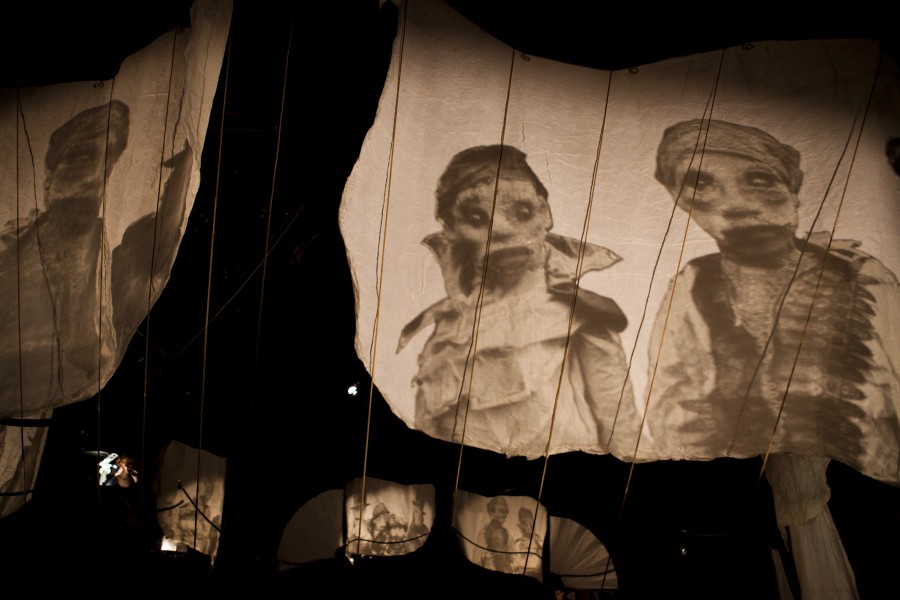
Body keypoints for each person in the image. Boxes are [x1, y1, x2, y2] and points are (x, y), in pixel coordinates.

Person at [646, 118, 900, 482]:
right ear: (681, 201)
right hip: (748, 473)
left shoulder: (857, 271)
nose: (735, 204)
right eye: (700, 184)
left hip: (862, 474)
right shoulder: (693, 283)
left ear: (791, 190)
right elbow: (673, 401)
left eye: (758, 180)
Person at [397, 144, 634, 456]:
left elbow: (618, 420)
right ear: (450, 229)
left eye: (522, 212)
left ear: (544, 214)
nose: (502, 229)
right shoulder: (450, 324)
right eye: (475, 217)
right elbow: (431, 425)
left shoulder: (577, 312)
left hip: (557, 474)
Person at [474, 496, 513, 573]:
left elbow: (512, 557)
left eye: (503, 512)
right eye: (493, 510)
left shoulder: (507, 534)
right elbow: (477, 560)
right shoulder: (483, 533)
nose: (498, 516)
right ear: (490, 513)